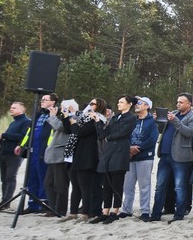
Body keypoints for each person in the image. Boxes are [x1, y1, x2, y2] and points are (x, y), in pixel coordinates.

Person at [150, 93, 193, 223]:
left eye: (181, 102)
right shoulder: (173, 113)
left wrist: (175, 120)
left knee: (180, 187)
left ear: (189, 104)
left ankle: (179, 214)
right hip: (165, 155)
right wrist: (158, 121)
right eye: (177, 102)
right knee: (160, 186)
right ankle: (155, 214)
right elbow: (162, 130)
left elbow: (188, 132)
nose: (178, 104)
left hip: (181, 157)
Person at [93, 95, 138, 224]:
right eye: (118, 102)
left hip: (120, 151)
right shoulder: (114, 118)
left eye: (121, 102)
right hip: (109, 151)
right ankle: (105, 211)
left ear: (129, 104)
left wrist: (109, 136)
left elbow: (121, 133)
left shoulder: (131, 118)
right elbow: (103, 134)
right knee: (106, 183)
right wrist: (97, 122)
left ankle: (115, 211)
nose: (119, 104)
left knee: (117, 183)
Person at [67, 98, 107, 222]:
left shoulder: (97, 119)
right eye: (89, 103)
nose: (89, 105)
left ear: (99, 106)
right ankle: (73, 212)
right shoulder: (83, 118)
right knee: (75, 185)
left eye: (93, 104)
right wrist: (68, 116)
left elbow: (79, 132)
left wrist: (73, 122)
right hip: (76, 153)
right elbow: (68, 130)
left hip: (88, 155)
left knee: (85, 185)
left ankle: (86, 212)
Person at [122, 96, 158, 221]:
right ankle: (126, 210)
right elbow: (125, 135)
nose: (137, 105)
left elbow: (152, 139)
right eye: (136, 103)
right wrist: (129, 148)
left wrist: (137, 149)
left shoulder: (152, 121)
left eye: (140, 103)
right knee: (128, 185)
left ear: (147, 106)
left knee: (144, 186)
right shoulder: (132, 120)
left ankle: (145, 211)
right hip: (130, 157)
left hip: (144, 157)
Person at [0, 101, 31, 205]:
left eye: (14, 108)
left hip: (14, 154)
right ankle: (4, 201)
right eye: (11, 107)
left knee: (10, 177)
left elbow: (23, 137)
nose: (11, 109)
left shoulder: (26, 122)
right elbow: (8, 137)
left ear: (22, 110)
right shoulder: (13, 123)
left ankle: (7, 201)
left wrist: (4, 135)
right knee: (4, 178)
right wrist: (0, 139)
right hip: (4, 153)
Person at [43, 99, 74, 217]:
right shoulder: (60, 117)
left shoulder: (73, 118)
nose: (60, 108)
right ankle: (52, 207)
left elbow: (63, 128)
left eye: (62, 106)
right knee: (48, 183)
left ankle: (60, 209)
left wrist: (52, 116)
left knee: (60, 184)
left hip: (62, 155)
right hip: (53, 155)